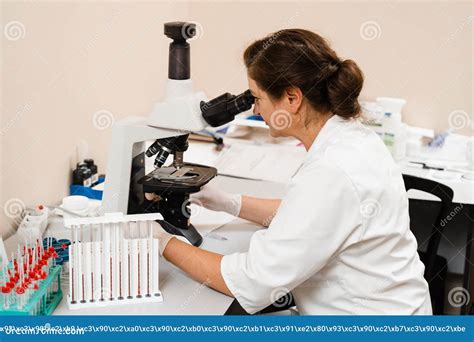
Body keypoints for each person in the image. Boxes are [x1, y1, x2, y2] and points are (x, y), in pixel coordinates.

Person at [152, 28, 432, 315]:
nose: (256, 110)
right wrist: (227, 202)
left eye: (257, 98)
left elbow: (251, 282)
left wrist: (162, 242)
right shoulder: (353, 137)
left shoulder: (330, 171)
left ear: (291, 98)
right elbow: (306, 215)